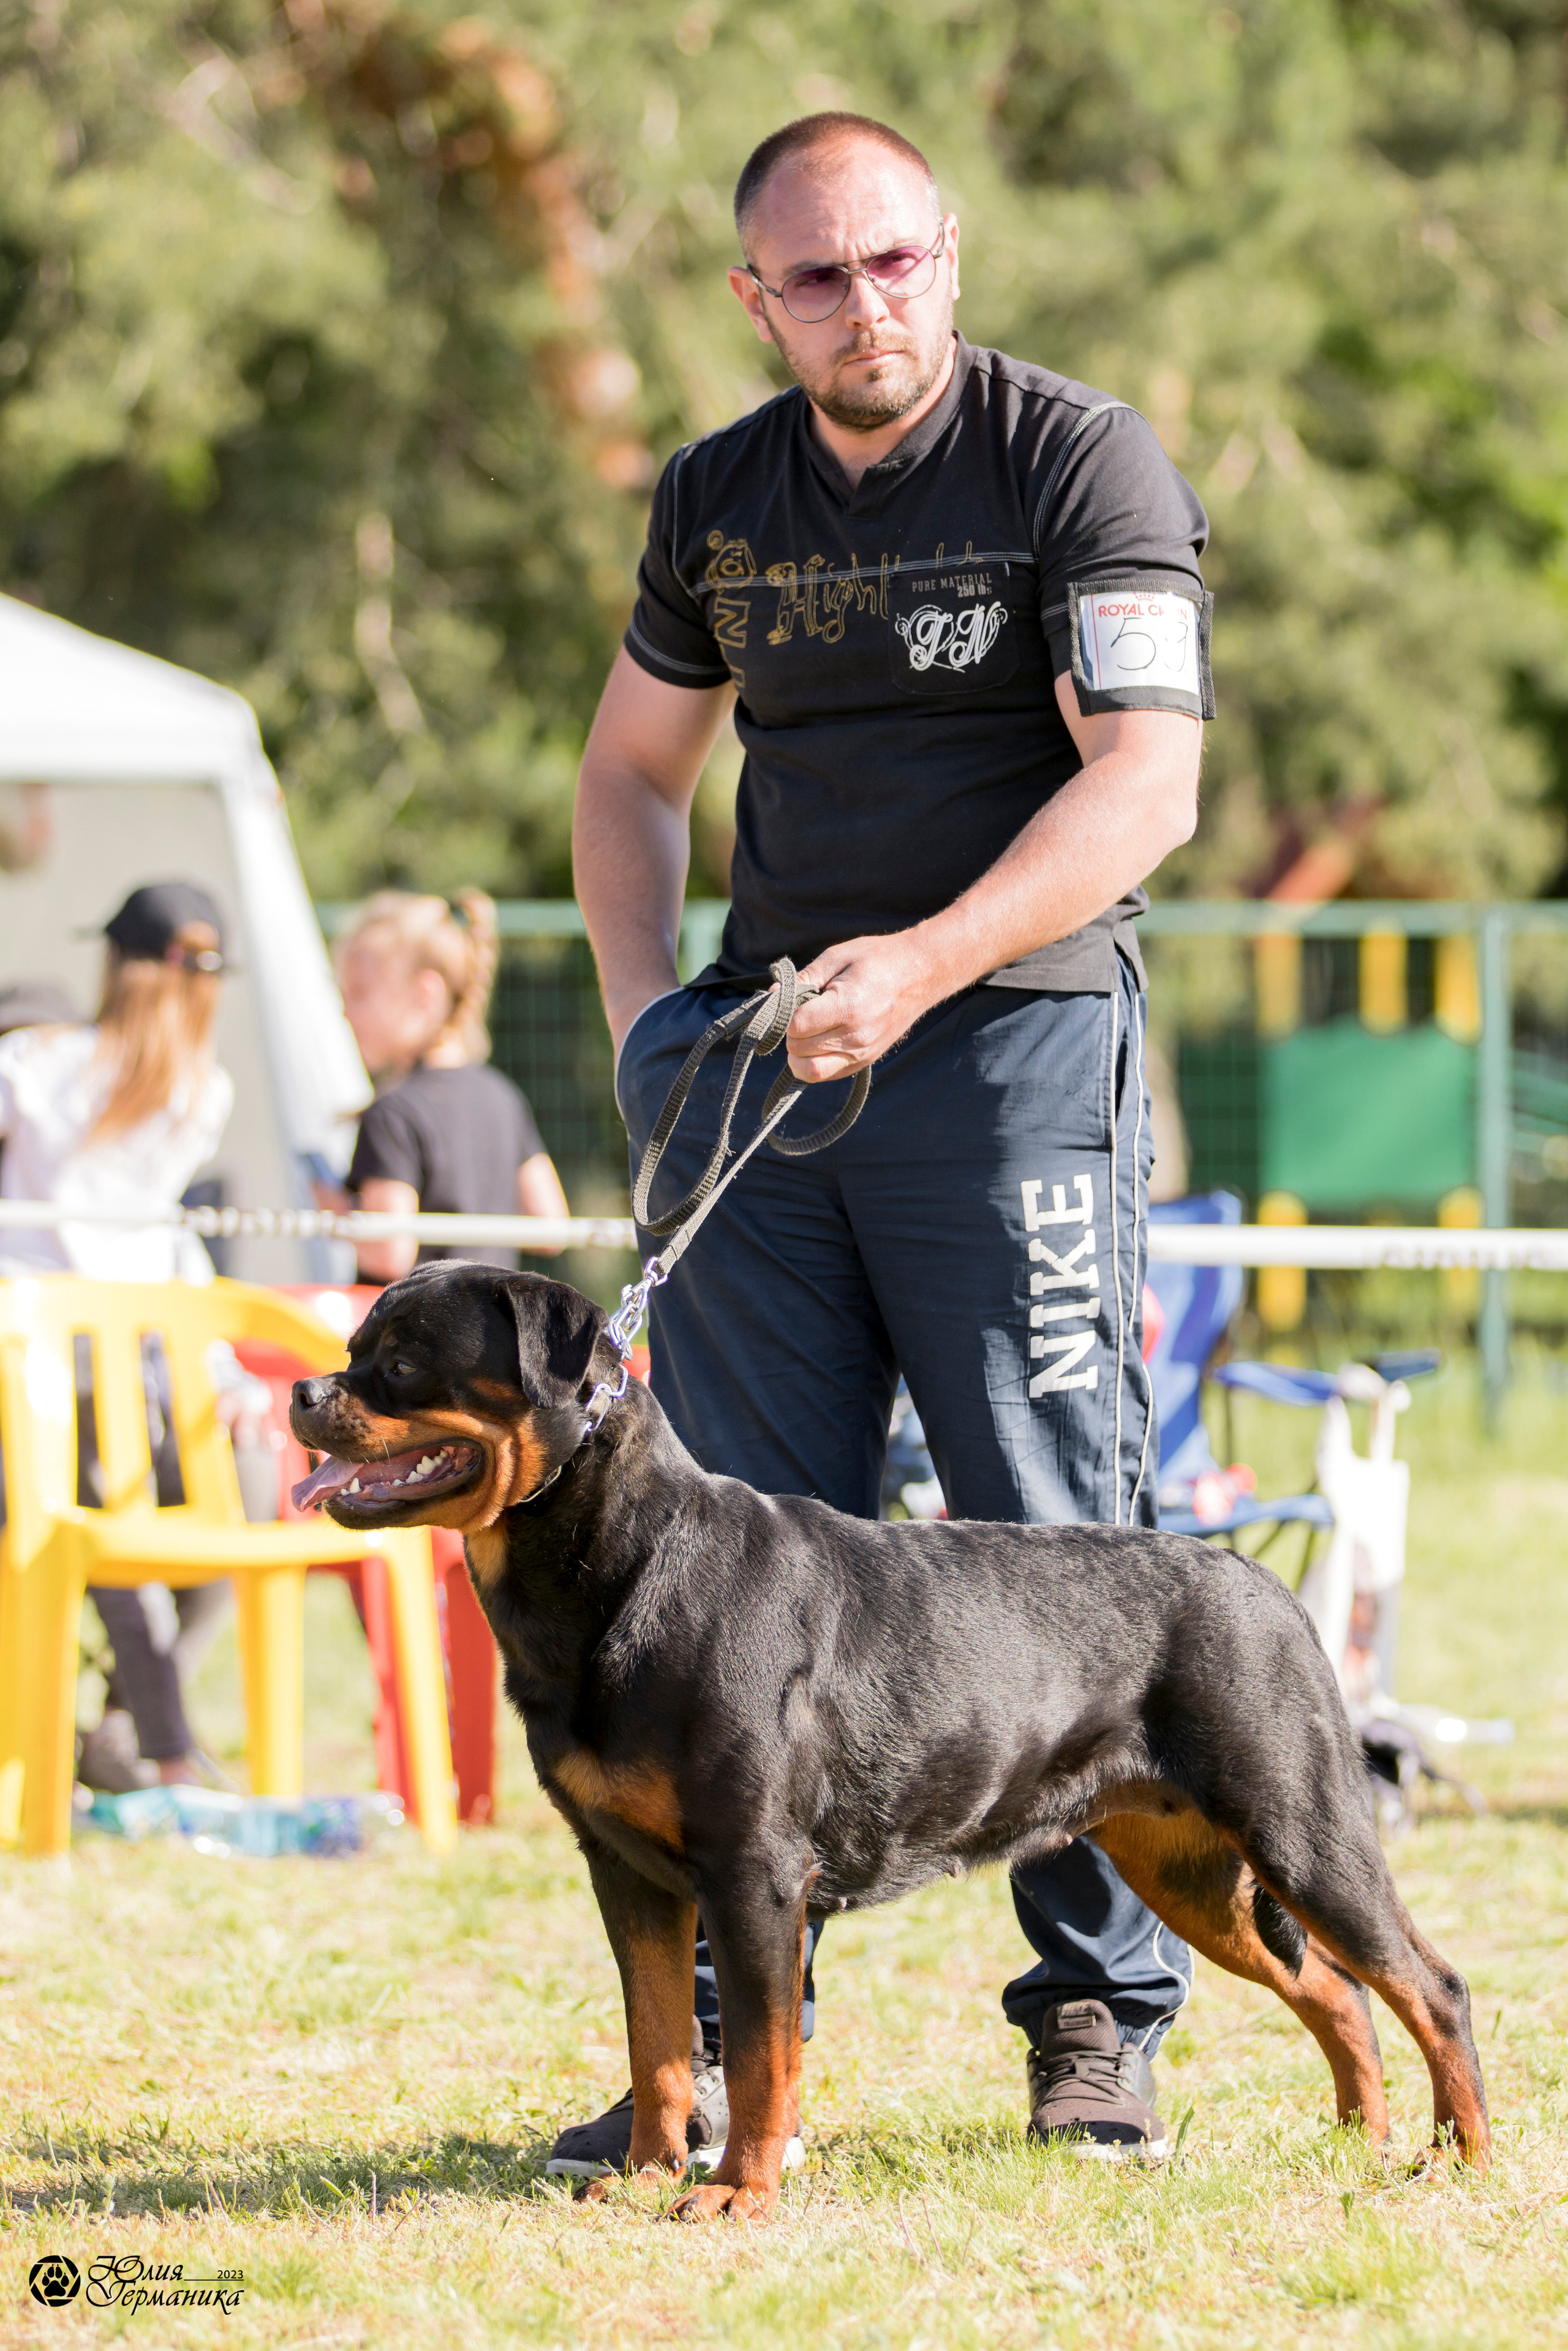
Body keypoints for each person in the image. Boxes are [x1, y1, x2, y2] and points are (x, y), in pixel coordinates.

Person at [560, 113, 1210, 2175]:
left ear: (955, 246)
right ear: (758, 300)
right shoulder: (717, 496)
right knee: (739, 1558)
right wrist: (648, 1016)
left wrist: (926, 963)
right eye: (820, 278)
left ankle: (1098, 2014)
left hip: (1011, 1058)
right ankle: (751, 2052)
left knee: (1053, 1531)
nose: (872, 306)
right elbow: (630, 774)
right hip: (769, 1089)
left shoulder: (1076, 459)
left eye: (901, 260)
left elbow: (1151, 787)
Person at [0, 882, 236, 1791]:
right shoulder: (199, 1093)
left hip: (40, 1354)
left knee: (104, 1543)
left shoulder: (34, 1063)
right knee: (139, 1537)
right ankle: (153, 1741)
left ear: (115, 963)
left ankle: (160, 1746)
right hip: (140, 1351)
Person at [329, 890, 568, 1283]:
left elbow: (389, 1254)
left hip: (416, 1338)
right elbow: (551, 1227)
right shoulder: (502, 1095)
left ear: (425, 995)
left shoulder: (393, 1113)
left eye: (359, 993)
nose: (345, 1011)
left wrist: (335, 1211)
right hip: (493, 1335)